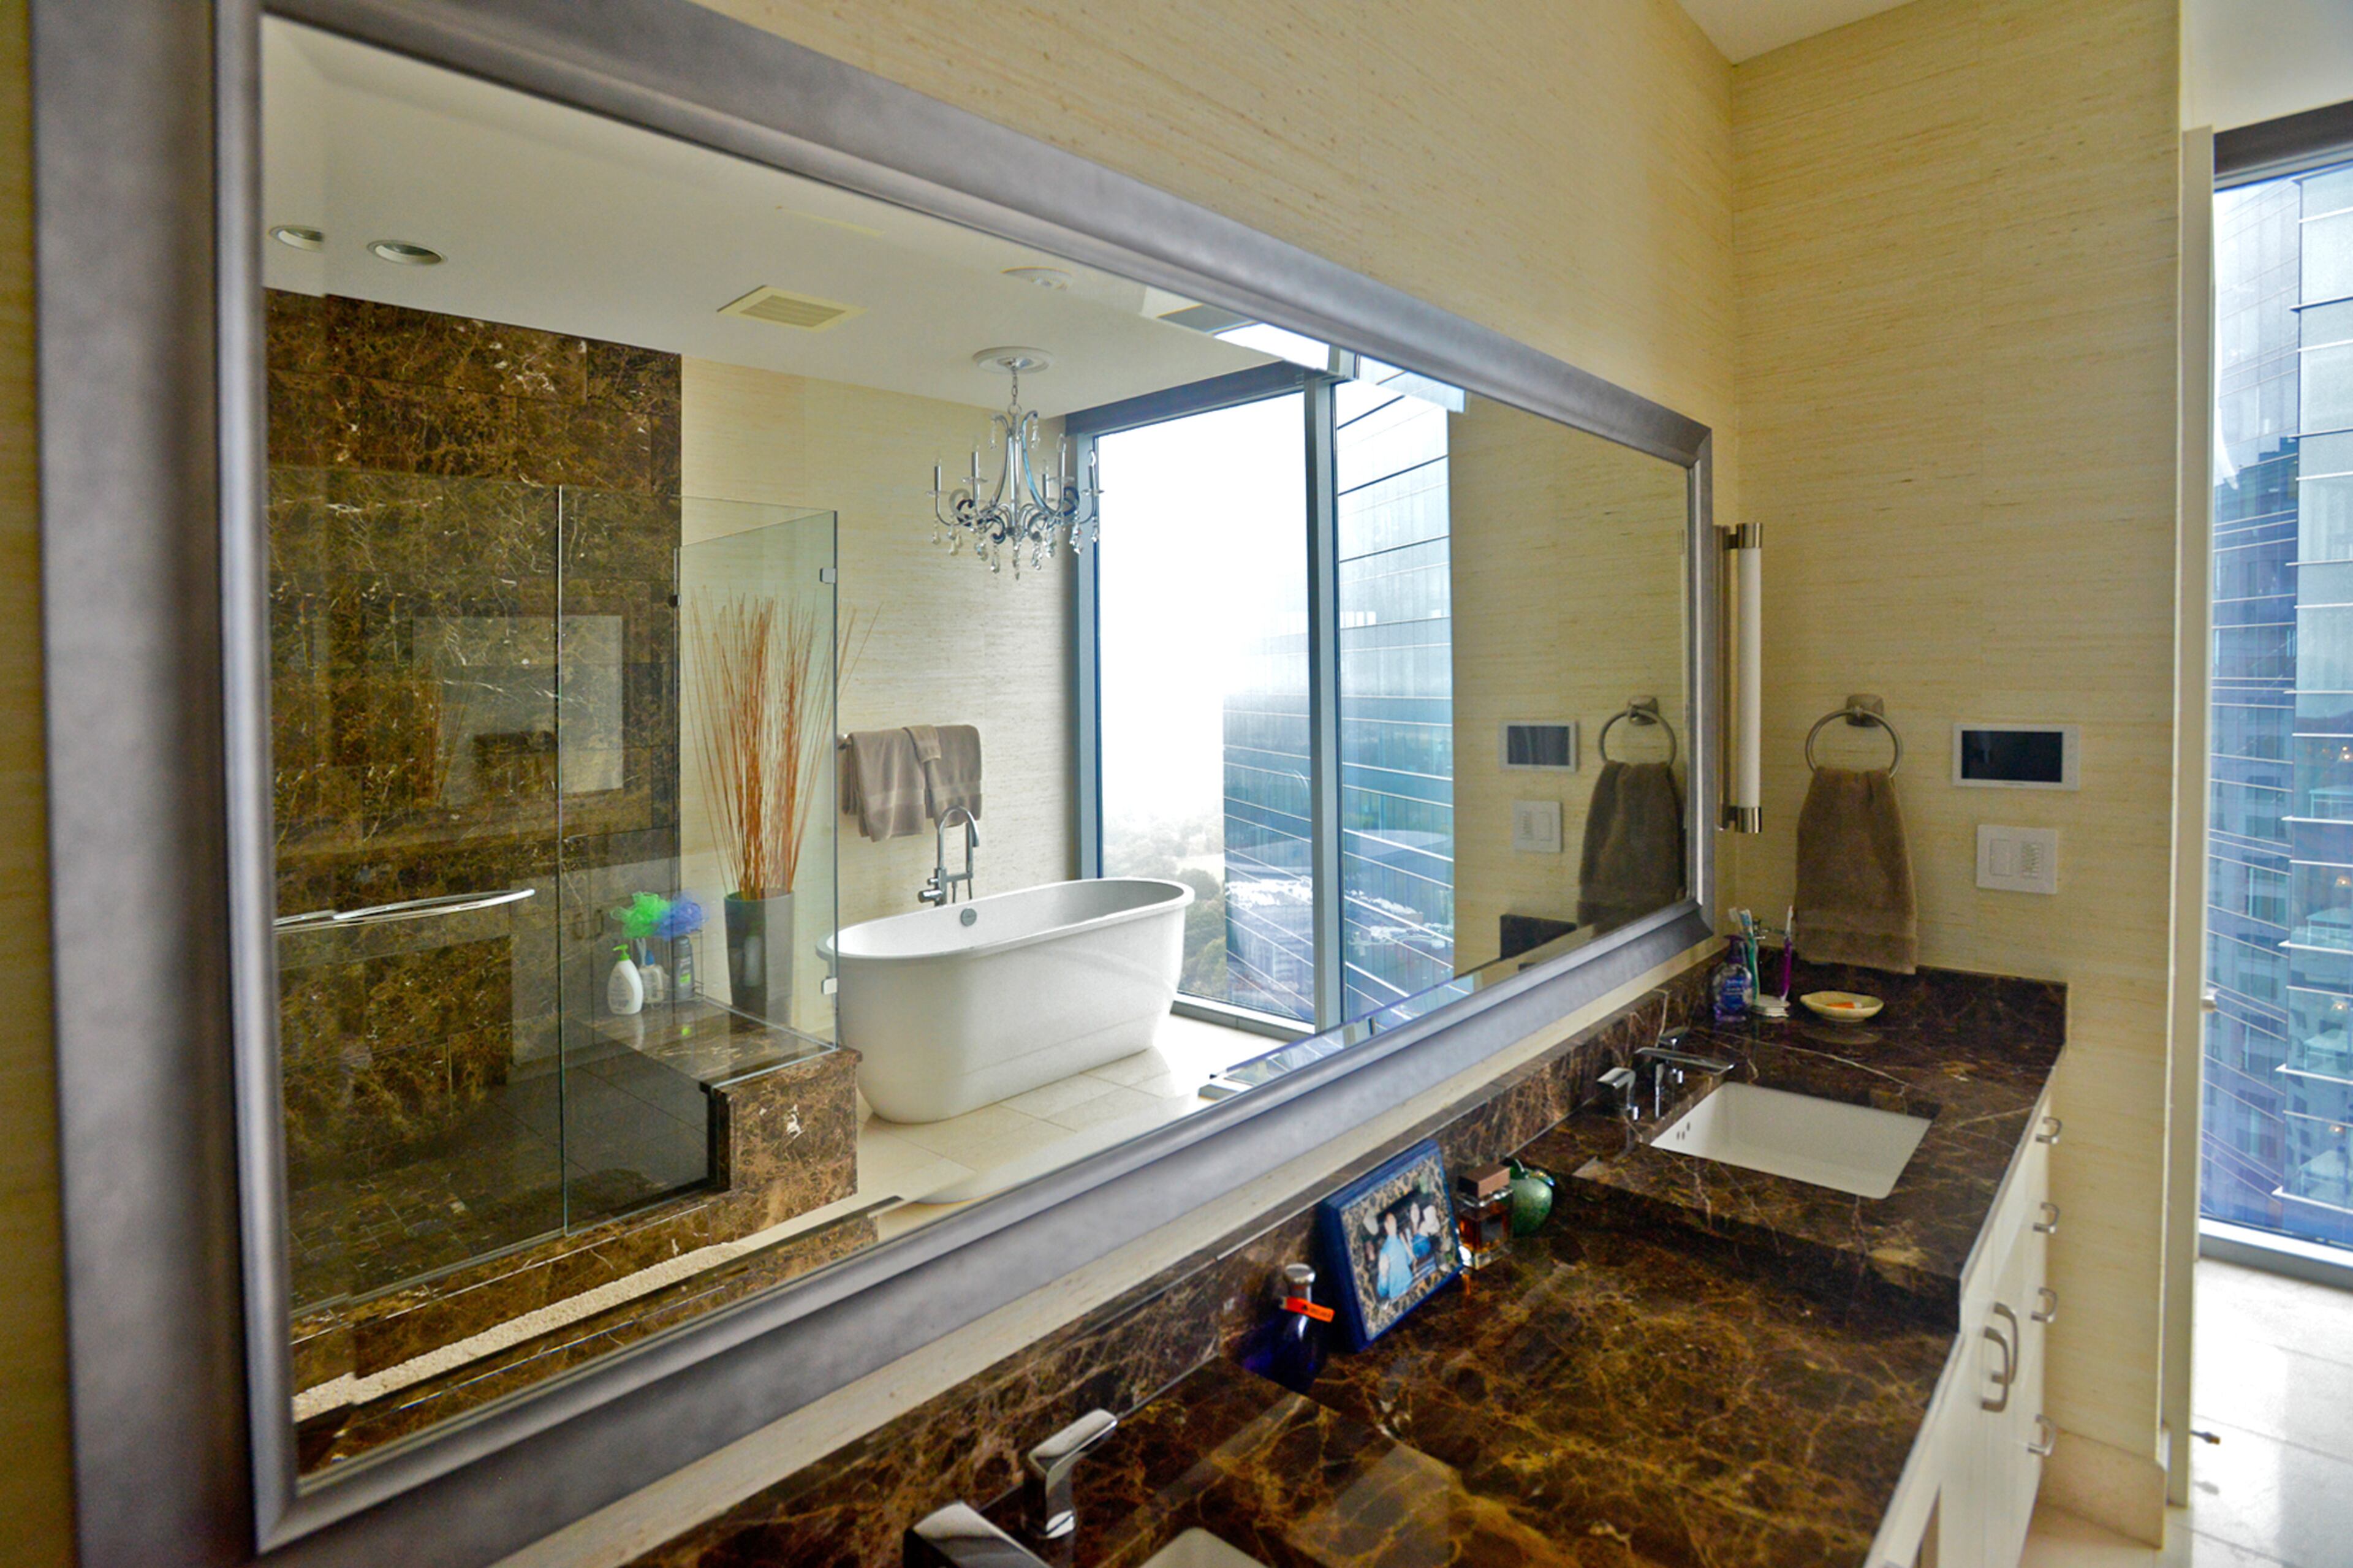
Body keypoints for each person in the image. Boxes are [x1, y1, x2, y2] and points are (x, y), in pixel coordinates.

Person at [1374, 1210, 1415, 1300]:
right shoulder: (1384, 1252)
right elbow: (1381, 1291)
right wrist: (1384, 1274)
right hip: (1398, 1297)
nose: (1394, 1222)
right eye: (1391, 1220)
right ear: (1386, 1225)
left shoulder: (1401, 1241)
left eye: (1394, 1220)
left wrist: (1406, 1243)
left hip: (1411, 1288)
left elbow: (1409, 1261)